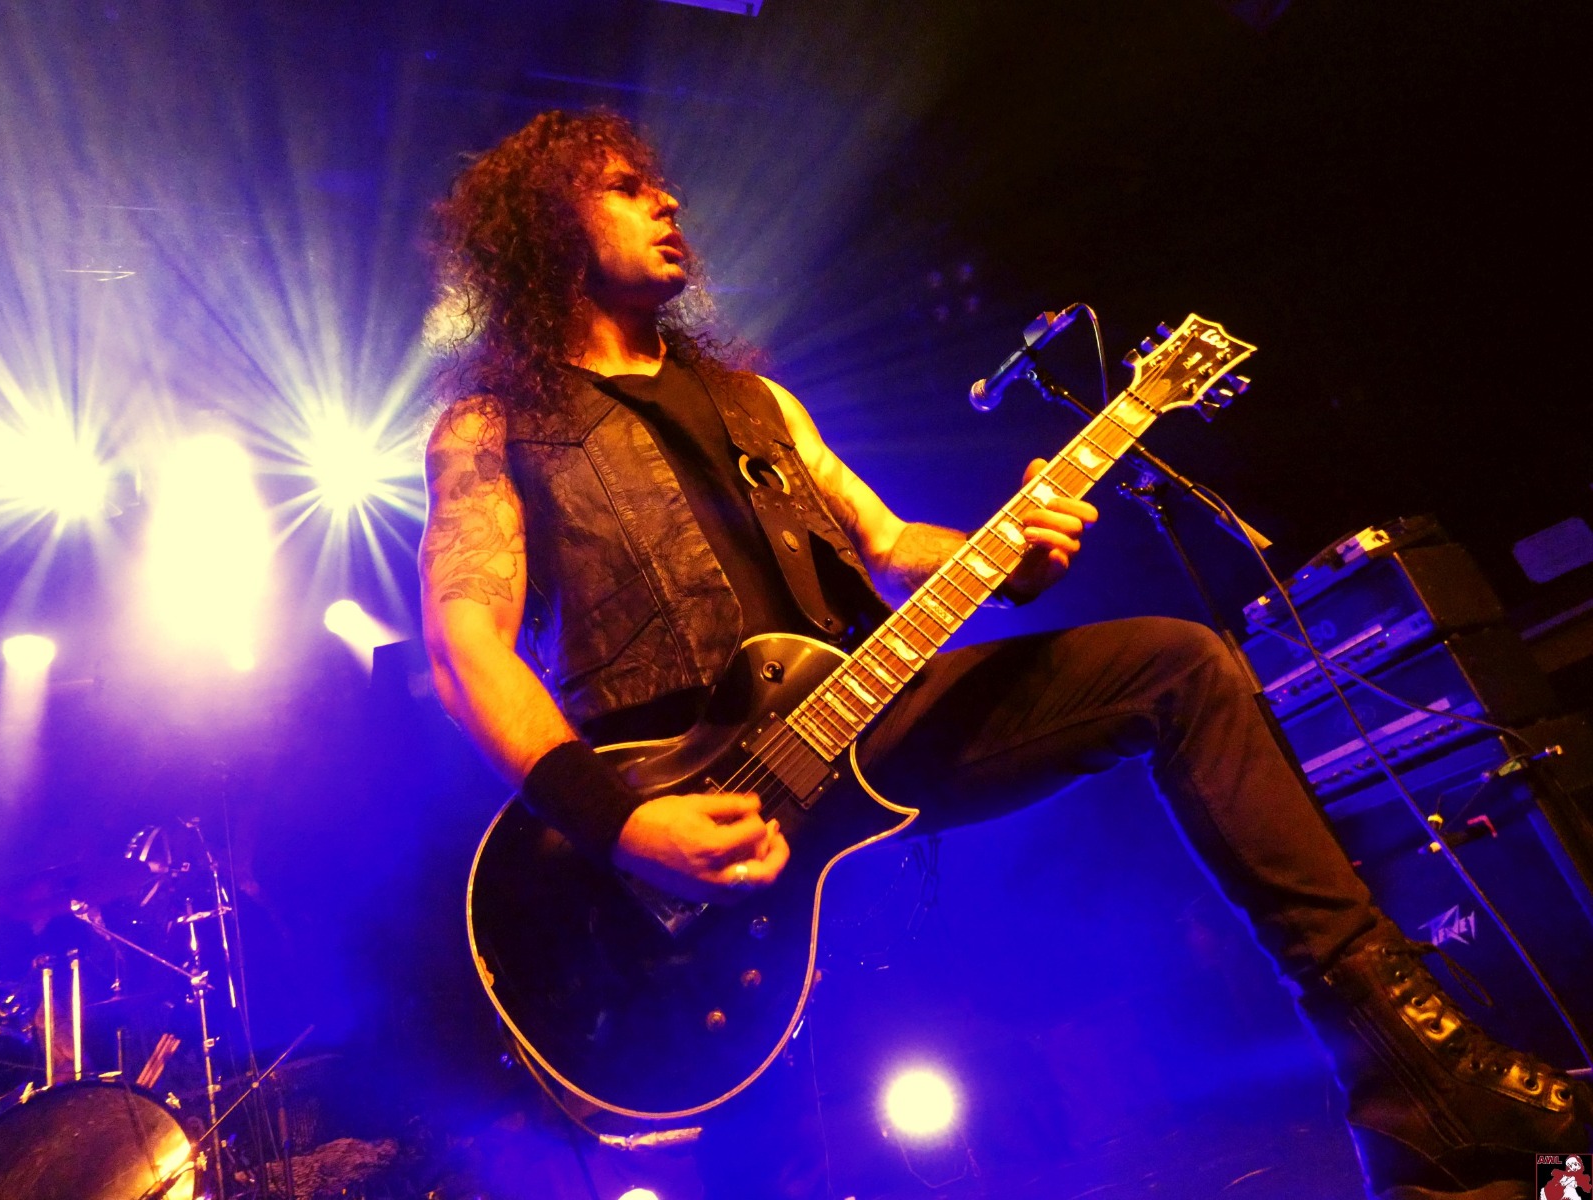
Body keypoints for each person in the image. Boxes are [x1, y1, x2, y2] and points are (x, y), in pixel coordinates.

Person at [418, 108, 1589, 1200]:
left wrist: (1006, 549)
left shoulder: (755, 401)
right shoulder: (494, 423)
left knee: (1177, 665)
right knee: (773, 1136)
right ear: (546, 233)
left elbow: (886, 548)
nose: (667, 201)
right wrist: (621, 825)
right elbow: (466, 639)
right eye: (627, 188)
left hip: (856, 723)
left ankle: (1412, 1081)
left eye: (661, 184)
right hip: (677, 797)